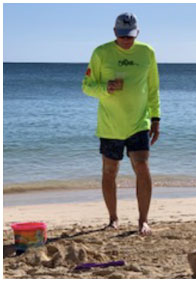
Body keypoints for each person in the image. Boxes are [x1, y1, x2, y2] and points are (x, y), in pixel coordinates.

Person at [82, 12, 160, 235]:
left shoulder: (147, 52)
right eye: (123, 36)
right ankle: (113, 219)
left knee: (142, 168)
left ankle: (143, 220)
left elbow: (153, 88)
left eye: (131, 36)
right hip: (110, 125)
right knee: (109, 171)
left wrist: (156, 118)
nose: (127, 40)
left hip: (139, 122)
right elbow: (86, 86)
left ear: (137, 33)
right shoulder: (101, 53)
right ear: (115, 32)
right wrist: (105, 87)